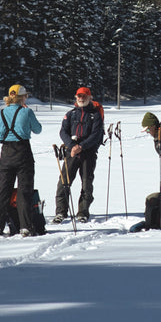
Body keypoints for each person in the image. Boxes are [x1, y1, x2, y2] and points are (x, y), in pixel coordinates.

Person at [0, 84, 43, 237]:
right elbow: (38, 129)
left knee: (4, 192)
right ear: (22, 97)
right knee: (24, 191)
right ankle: (25, 226)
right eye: (26, 96)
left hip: (6, 154)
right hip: (23, 153)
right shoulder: (26, 112)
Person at [53, 86, 105, 223]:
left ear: (90, 97)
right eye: (79, 96)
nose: (81, 98)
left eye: (84, 96)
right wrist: (72, 146)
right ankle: (61, 212)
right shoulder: (70, 114)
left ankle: (83, 212)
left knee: (86, 183)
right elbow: (63, 132)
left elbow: (96, 135)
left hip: (88, 153)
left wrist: (81, 146)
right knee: (63, 182)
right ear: (76, 97)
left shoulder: (95, 115)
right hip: (72, 153)